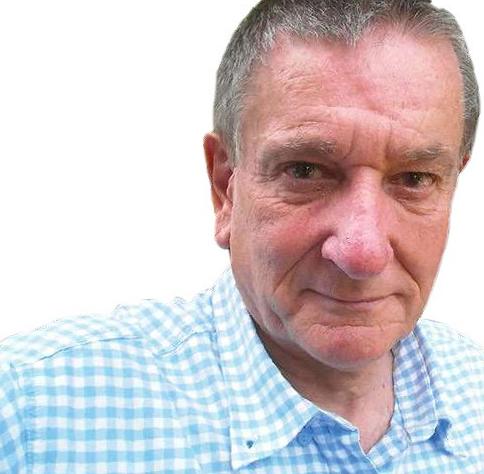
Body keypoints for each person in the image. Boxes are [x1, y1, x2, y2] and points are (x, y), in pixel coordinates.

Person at [1, 0, 483, 472]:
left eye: (415, 179)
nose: (363, 252)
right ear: (225, 187)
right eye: (305, 170)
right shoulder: (31, 418)